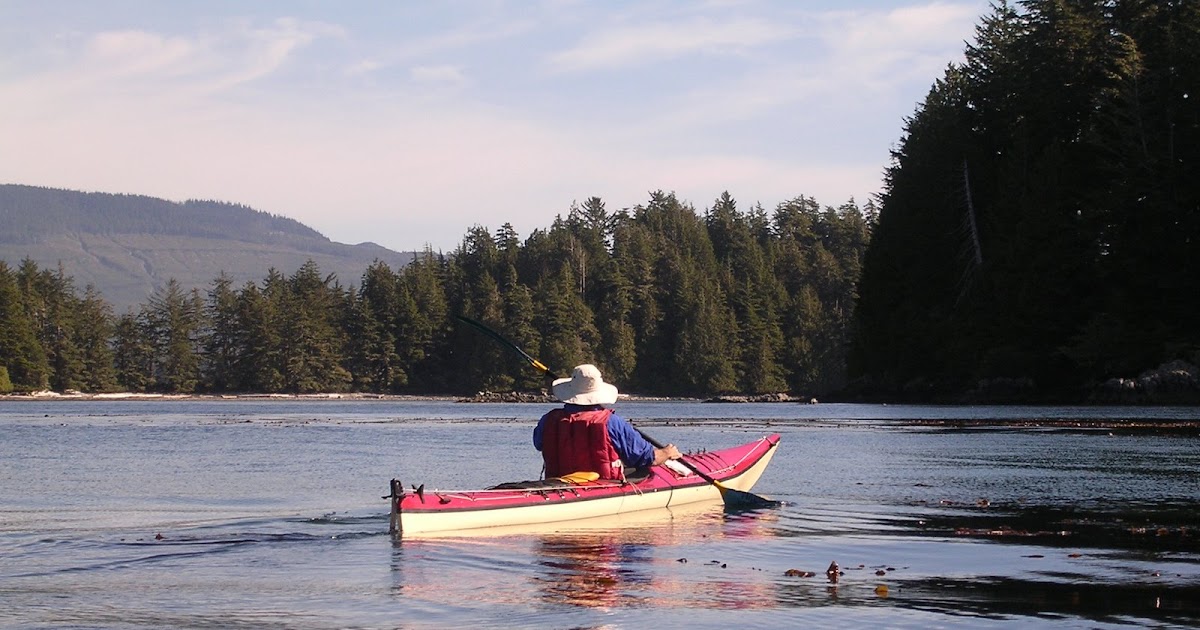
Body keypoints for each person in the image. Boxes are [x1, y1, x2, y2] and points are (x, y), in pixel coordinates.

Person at [533, 364, 681, 480]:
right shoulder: (612, 422)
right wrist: (667, 452)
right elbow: (646, 458)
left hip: (558, 481)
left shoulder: (548, 420)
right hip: (603, 483)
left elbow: (538, 444)